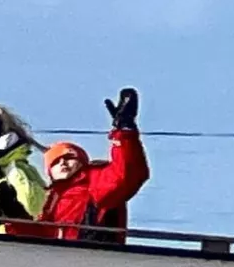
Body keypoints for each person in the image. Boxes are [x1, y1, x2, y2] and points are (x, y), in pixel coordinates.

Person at [32, 87, 149, 243]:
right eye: (55, 162)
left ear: (82, 162)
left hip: (93, 259)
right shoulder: (49, 199)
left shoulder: (94, 182)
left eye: (69, 158)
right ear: (49, 172)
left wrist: (125, 131)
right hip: (55, 262)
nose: (63, 163)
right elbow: (35, 236)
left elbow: (127, 175)